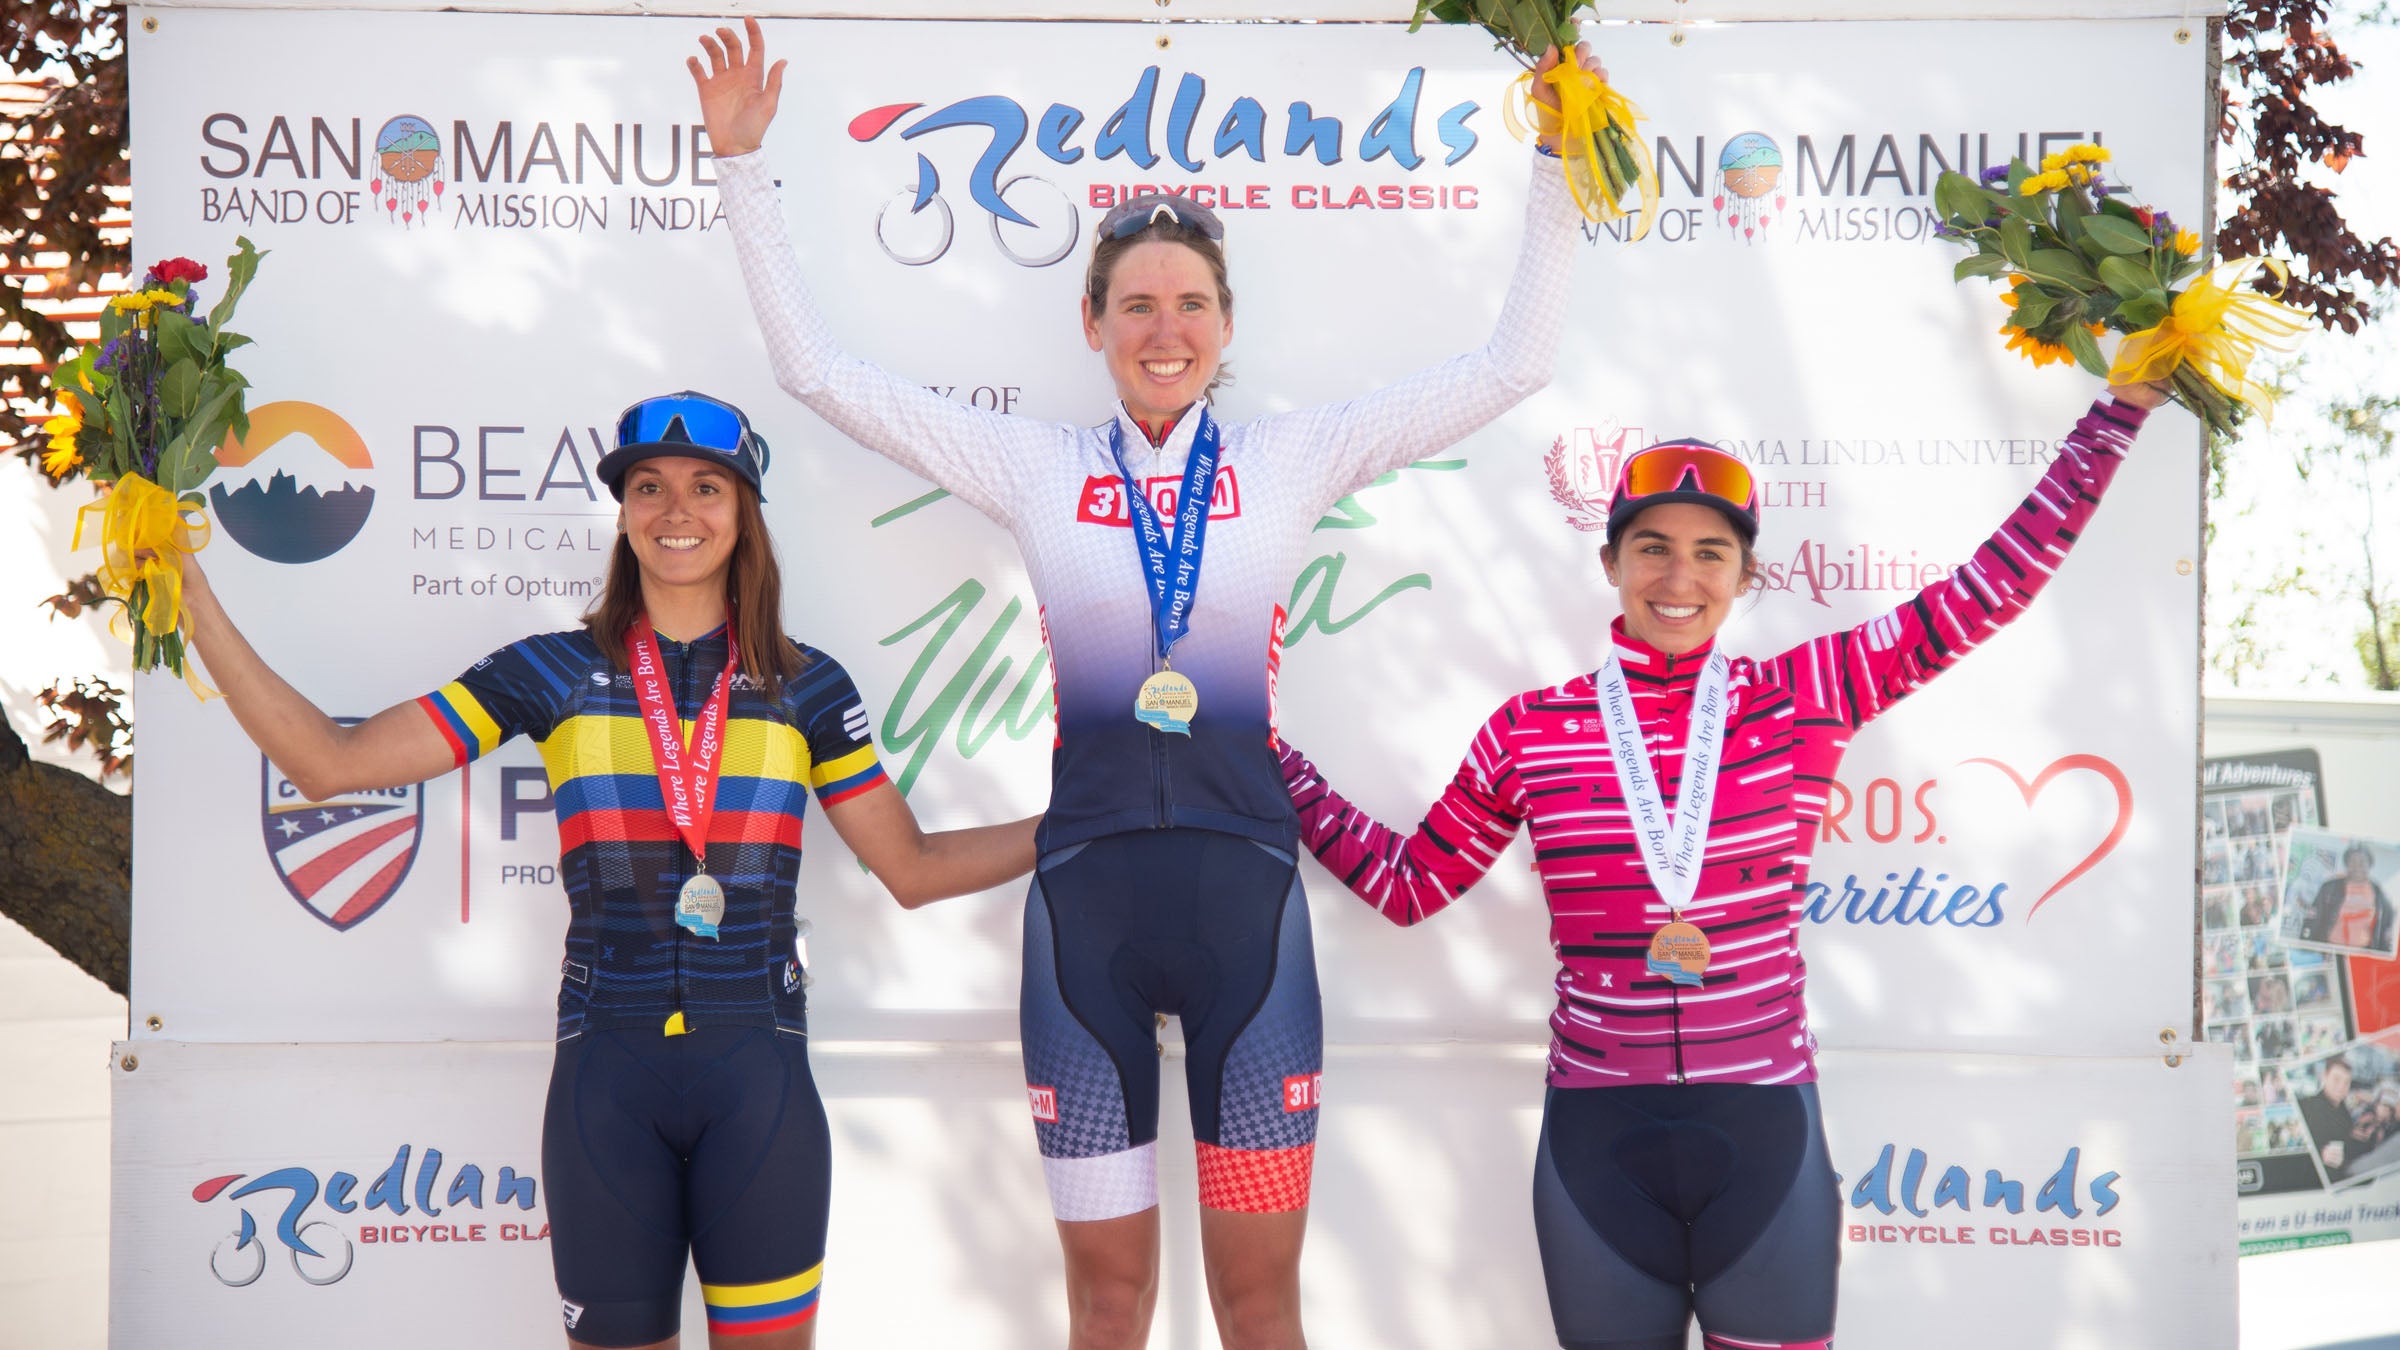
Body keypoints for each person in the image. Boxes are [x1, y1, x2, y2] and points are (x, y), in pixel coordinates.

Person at [687, 19, 1591, 1346]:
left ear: (1226, 324)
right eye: (1138, 305)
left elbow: (1515, 365)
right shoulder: (1038, 469)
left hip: (1250, 917)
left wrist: (1560, 164)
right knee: (1107, 1306)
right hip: (1085, 925)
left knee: (1259, 1306)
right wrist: (740, 170)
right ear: (1093, 323)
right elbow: (816, 374)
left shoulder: (1292, 459)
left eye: (1190, 304)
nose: (1165, 330)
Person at [1276, 378, 2168, 1350]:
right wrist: (1263, 751)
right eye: (1652, 546)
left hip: (1765, 1139)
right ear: (1611, 561)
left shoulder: (1808, 694)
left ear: (1746, 576)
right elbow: (1408, 887)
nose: (1680, 576)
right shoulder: (1530, 731)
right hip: (1596, 1145)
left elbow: (1991, 589)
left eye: (1712, 552)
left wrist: (2116, 413)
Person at [174, 391, 1041, 1350]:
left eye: (707, 487)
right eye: (648, 487)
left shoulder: (806, 685)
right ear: (624, 512)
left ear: (744, 512)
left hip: (758, 1076)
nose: (676, 510)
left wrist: (1084, 824)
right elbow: (330, 764)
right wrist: (189, 592)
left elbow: (913, 868)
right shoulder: (550, 673)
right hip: (606, 1078)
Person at [2299, 842, 2396, 951]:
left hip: (2362, 952)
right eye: (2352, 861)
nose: (2357, 866)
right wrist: (2305, 944)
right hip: (2330, 949)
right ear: (2346, 864)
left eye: (2362, 862)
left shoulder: (2377, 892)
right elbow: (2313, 917)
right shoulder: (2329, 887)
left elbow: (2387, 925)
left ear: (2369, 864)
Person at [2300, 1059, 2362, 1182]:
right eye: (2336, 1079)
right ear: (2324, 1077)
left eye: (2346, 1082)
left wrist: (2353, 1134)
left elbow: (2344, 1136)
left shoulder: (2342, 1108)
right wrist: (2321, 1154)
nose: (2342, 1087)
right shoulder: (2309, 1106)